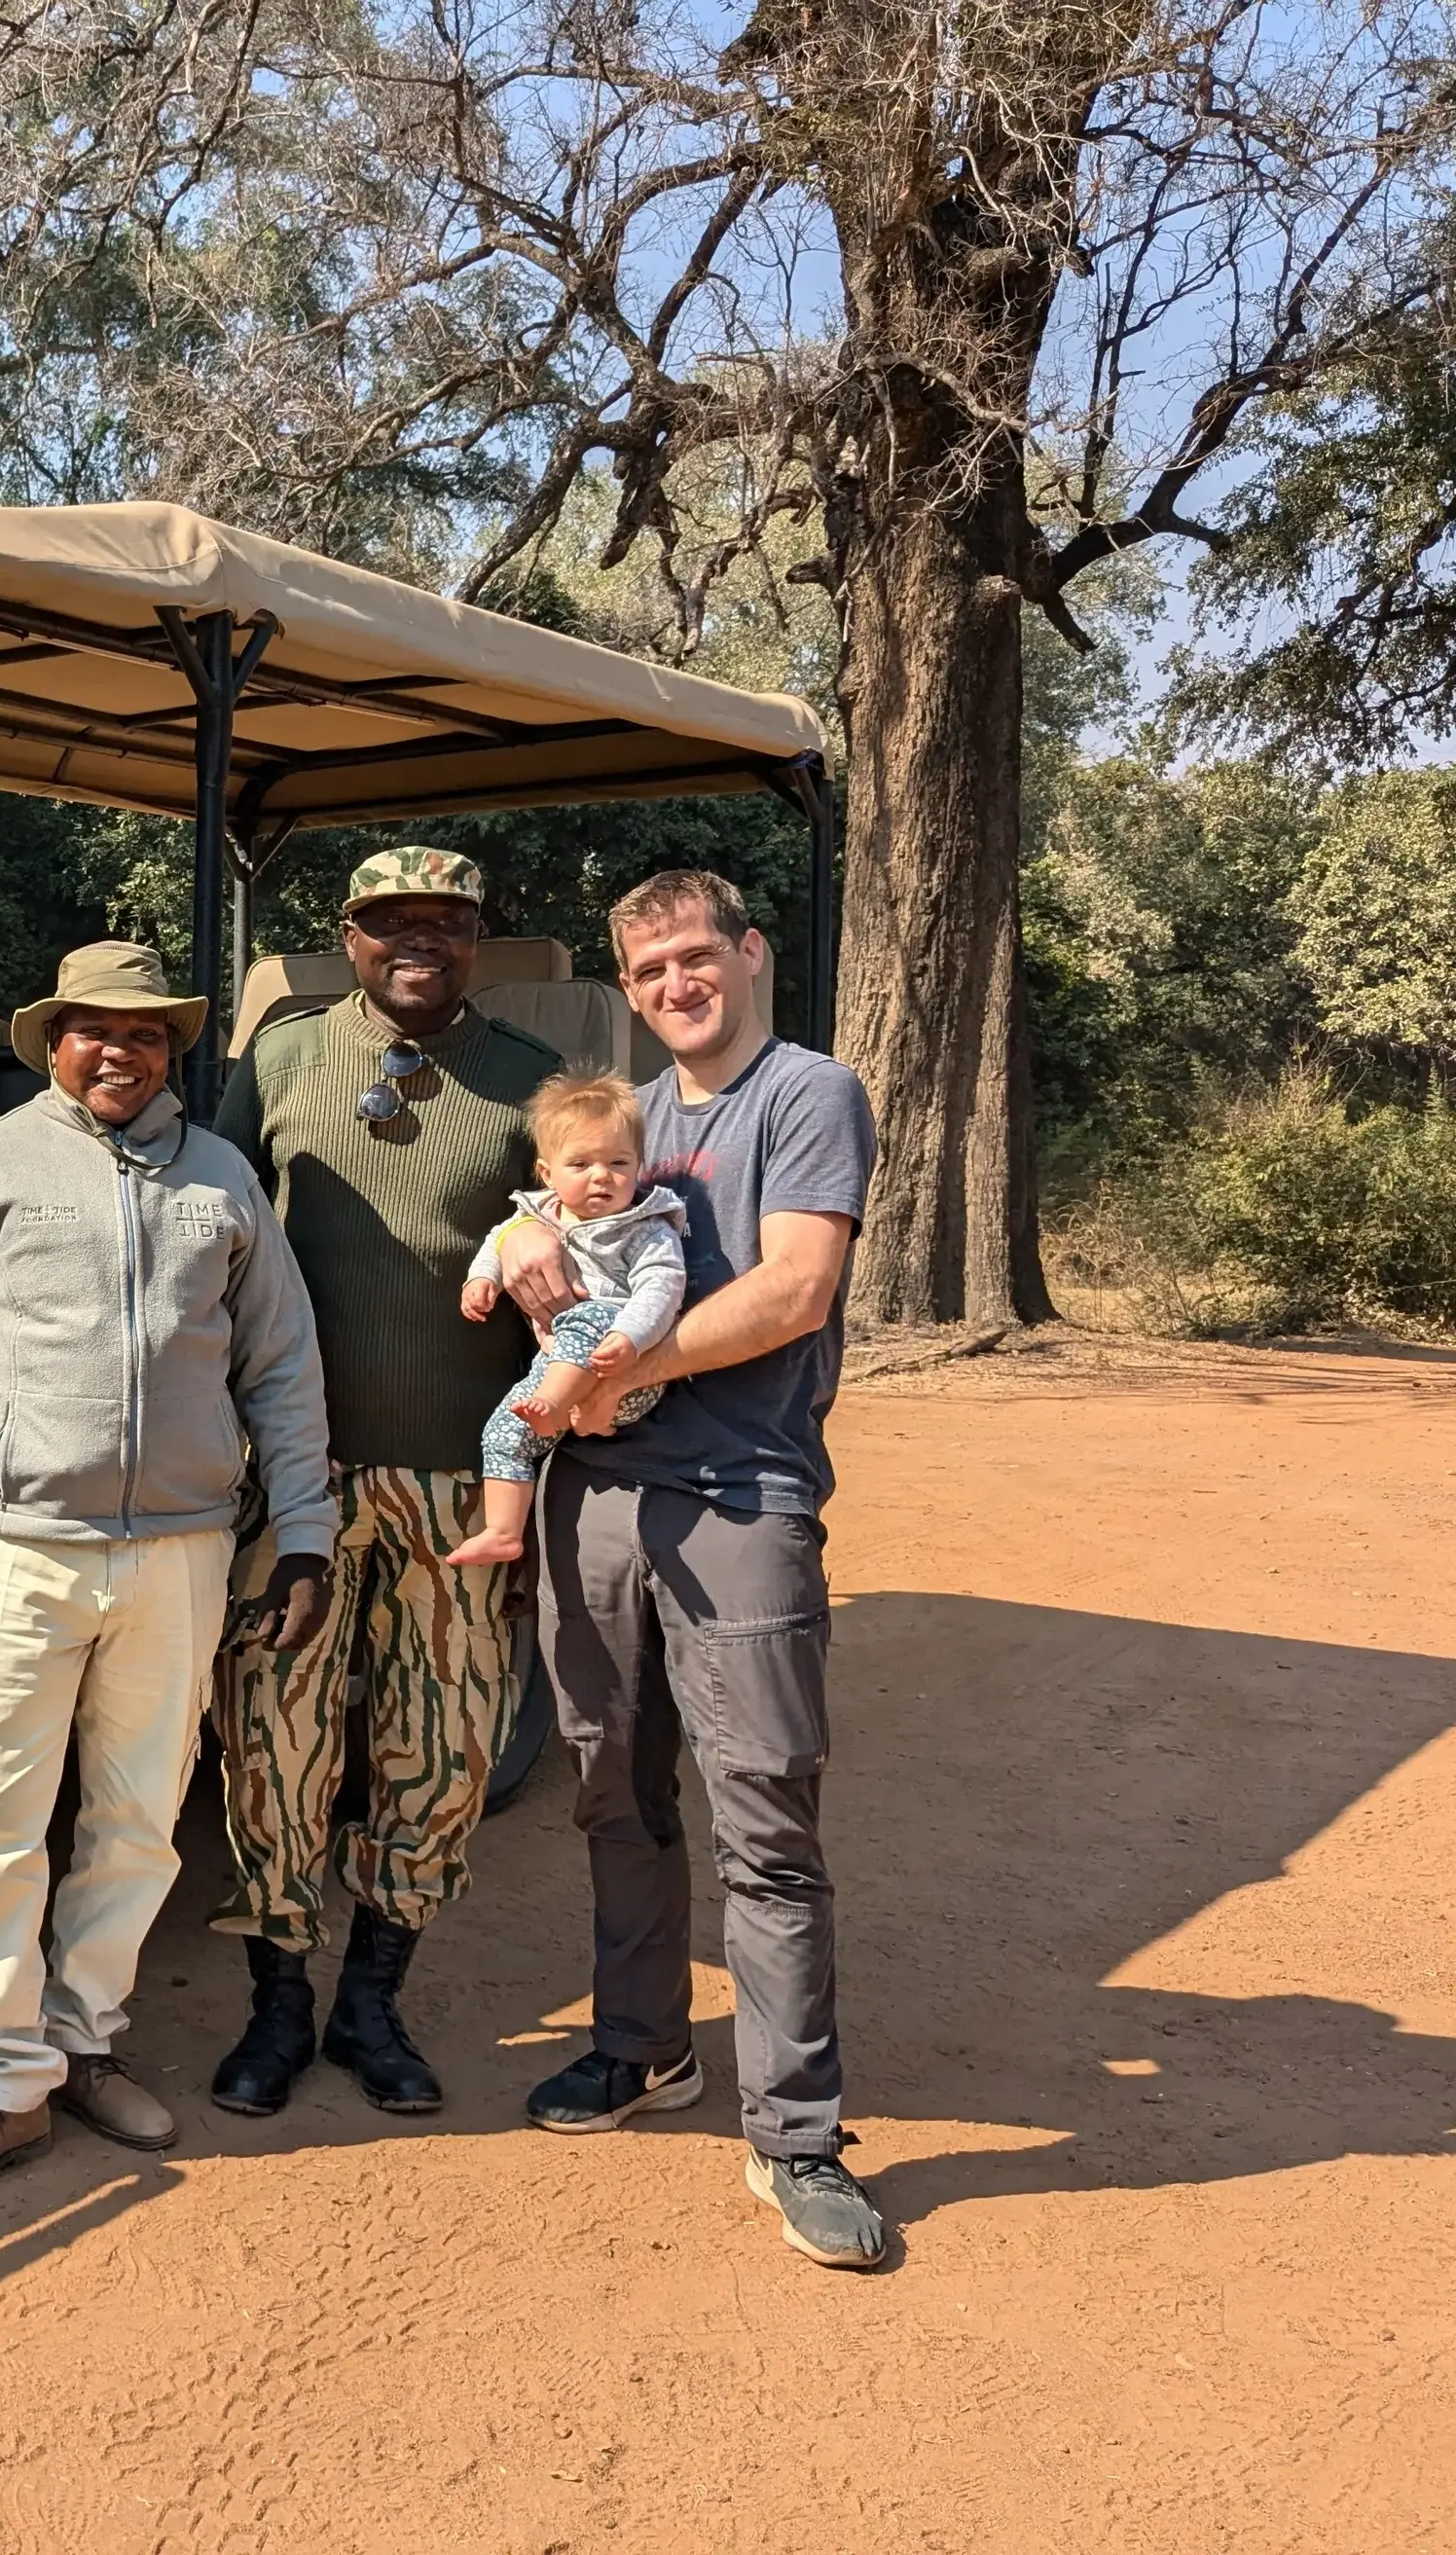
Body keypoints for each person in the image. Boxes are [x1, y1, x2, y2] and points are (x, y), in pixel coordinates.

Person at [0, 939, 337, 2204]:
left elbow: (281, 1368)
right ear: (52, 1039)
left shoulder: (220, 1181)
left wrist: (304, 1532)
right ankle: (3, 2089)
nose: (120, 1051)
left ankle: (83, 2039)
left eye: (147, 1033)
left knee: (137, 1819)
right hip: (19, 1549)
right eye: (93, 1030)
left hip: (177, 1554)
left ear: (172, 1049)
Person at [493, 868, 891, 2271]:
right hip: (597, 1500)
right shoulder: (631, 1119)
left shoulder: (806, 1094)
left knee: (765, 1814)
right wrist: (534, 1232)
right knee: (613, 1788)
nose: (675, 983)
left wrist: (618, 1363)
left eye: (694, 955)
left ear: (749, 953)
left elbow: (795, 1289)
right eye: (649, 966)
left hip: (742, 1498)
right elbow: (551, 1202)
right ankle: (643, 2047)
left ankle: (796, 2136)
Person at [205, 849, 564, 2114]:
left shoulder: (537, 1082)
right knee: (272, 1740)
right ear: (346, 935)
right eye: (389, 921)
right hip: (292, 1483)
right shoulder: (287, 1058)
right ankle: (279, 2004)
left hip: (465, 1489)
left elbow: (585, 1282)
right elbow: (217, 1234)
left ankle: (372, 2004)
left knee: (441, 1749)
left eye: (448, 921)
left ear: (479, 933)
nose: (420, 941)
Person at [446, 1073, 690, 1569]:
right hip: (555, 1372)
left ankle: (557, 1405)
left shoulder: (645, 1229)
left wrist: (630, 1336)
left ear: (639, 1168)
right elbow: (496, 1244)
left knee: (591, 1316)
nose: (601, 1176)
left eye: (618, 1163)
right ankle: (503, 1531)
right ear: (546, 1172)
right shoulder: (538, 1216)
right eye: (580, 1164)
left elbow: (662, 1289)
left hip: (626, 1375)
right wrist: (482, 1282)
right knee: (503, 1432)